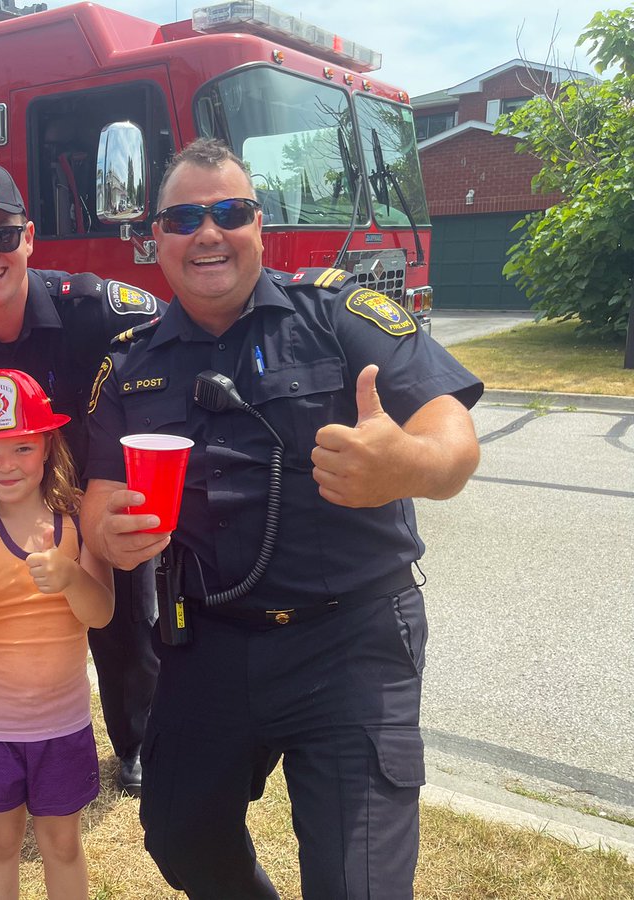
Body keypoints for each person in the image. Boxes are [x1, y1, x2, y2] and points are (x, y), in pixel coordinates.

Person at [81, 137, 483, 899]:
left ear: (260, 226)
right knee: (179, 839)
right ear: (156, 238)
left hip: (351, 642)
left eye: (230, 212)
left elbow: (453, 441)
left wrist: (404, 463)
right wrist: (113, 534)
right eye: (185, 218)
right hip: (208, 640)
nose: (208, 232)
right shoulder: (129, 362)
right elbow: (101, 498)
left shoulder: (337, 315)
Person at [0, 161, 164, 881]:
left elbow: (174, 333)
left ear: (30, 237)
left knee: (125, 622)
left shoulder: (94, 306)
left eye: (2, 235)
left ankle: (136, 741)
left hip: (89, 487)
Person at [0, 368, 113, 899]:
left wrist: (71, 577)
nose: (5, 464)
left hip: (63, 723)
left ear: (47, 446)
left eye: (22, 447)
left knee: (63, 844)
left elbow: (101, 614)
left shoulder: (77, 519)